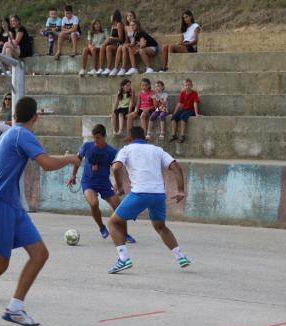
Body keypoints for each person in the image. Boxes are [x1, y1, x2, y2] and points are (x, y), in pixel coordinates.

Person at [0, 96, 80, 326]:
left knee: (40, 254)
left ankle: (15, 308)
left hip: (13, 207)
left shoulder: (3, 138)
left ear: (14, 115)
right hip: (1, 208)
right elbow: (47, 164)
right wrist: (70, 159)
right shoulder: (22, 134)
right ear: (35, 117)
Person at [107, 126, 190, 274]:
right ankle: (180, 256)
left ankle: (123, 259)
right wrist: (181, 191)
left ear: (129, 138)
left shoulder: (126, 149)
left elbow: (116, 167)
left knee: (113, 222)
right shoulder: (157, 150)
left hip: (140, 193)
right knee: (160, 226)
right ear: (145, 138)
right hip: (158, 195)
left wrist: (119, 186)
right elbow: (176, 167)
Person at [67, 124, 136, 242]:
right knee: (93, 203)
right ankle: (102, 227)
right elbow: (77, 160)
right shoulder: (86, 146)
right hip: (88, 182)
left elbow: (117, 168)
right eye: (94, 137)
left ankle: (125, 234)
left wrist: (117, 183)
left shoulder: (111, 152)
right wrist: (73, 175)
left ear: (105, 136)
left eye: (98, 137)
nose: (95, 140)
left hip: (104, 183)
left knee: (119, 207)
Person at [170, 78, 202, 143]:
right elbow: (179, 104)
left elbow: (195, 104)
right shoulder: (182, 93)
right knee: (174, 117)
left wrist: (196, 113)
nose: (187, 86)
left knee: (183, 117)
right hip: (184, 109)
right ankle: (173, 135)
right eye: (186, 85)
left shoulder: (194, 93)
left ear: (191, 86)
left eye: (189, 85)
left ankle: (182, 135)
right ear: (184, 86)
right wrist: (174, 113)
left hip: (190, 110)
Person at [97, 10, 124, 76]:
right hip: (113, 43)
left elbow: (121, 38)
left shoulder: (119, 24)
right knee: (103, 46)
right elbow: (110, 37)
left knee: (108, 48)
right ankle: (100, 68)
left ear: (114, 16)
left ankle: (109, 68)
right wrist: (106, 42)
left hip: (119, 44)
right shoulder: (113, 26)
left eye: (111, 16)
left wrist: (111, 38)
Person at [110, 10, 137, 77]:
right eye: (128, 16)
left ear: (134, 16)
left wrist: (130, 44)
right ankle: (117, 68)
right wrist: (125, 43)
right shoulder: (126, 27)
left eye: (131, 15)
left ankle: (123, 68)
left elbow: (142, 36)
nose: (129, 17)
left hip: (137, 43)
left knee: (126, 47)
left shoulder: (138, 25)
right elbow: (127, 39)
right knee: (122, 47)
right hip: (130, 43)